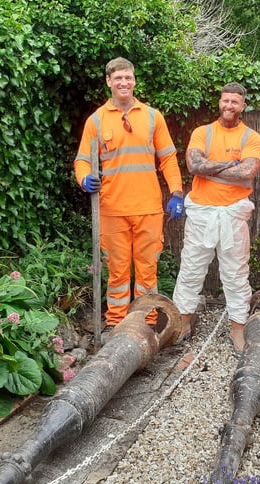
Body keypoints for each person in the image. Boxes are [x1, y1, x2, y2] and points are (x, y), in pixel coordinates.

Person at [73, 57, 184, 333]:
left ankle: (146, 325)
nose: (124, 82)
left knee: (147, 271)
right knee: (118, 272)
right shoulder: (96, 121)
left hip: (148, 208)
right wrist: (84, 179)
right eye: (118, 78)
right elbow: (82, 160)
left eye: (128, 78)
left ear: (134, 81)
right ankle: (116, 325)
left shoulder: (151, 116)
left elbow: (168, 158)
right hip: (111, 209)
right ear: (109, 82)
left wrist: (177, 192)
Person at [172, 82, 260, 353]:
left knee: (236, 273)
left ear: (243, 105)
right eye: (225, 101)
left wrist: (209, 169)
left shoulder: (251, 137)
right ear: (219, 102)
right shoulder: (203, 133)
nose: (229, 106)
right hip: (202, 212)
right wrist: (228, 165)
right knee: (190, 269)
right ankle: (184, 322)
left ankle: (238, 328)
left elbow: (247, 172)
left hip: (233, 214)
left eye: (234, 102)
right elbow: (193, 165)